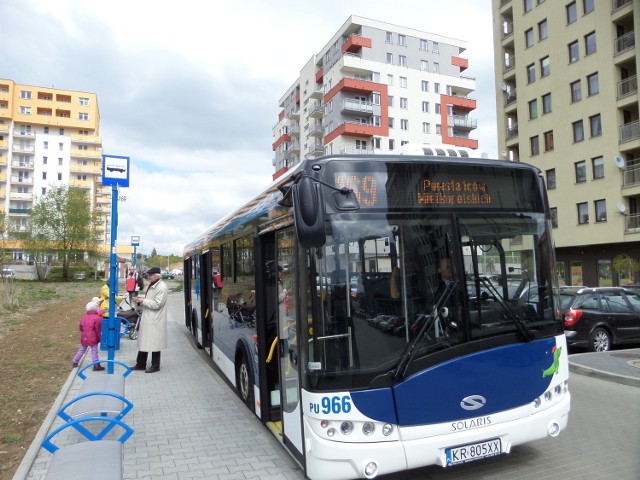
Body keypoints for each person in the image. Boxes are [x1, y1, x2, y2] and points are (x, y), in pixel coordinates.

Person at [130, 266, 168, 373]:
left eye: (150, 275)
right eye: (148, 275)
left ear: (156, 276)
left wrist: (142, 300)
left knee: (155, 343)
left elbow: (157, 304)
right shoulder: (153, 285)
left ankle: (155, 366)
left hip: (155, 319)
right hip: (149, 317)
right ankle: (140, 364)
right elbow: (150, 301)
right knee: (144, 342)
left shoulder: (161, 287)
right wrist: (139, 301)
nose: (148, 277)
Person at [72, 300, 105, 370]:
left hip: (84, 336)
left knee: (82, 349)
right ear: (96, 308)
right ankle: (96, 365)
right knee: (94, 350)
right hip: (93, 337)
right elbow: (98, 329)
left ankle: (75, 361)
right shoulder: (97, 318)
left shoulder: (84, 317)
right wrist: (100, 338)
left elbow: (81, 327)